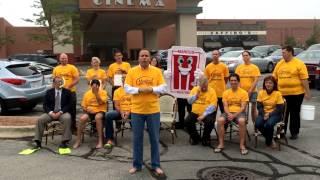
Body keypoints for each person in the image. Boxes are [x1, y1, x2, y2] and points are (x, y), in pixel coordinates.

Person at [124, 49, 167, 176]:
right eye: (142, 56)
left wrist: (152, 88)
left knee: (154, 139)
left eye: (146, 56)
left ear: (149, 58)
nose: (144, 58)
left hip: (153, 110)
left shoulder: (157, 71)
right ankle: (137, 165)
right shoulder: (132, 71)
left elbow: (164, 87)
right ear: (138, 58)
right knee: (137, 139)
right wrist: (139, 90)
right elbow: (126, 87)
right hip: (137, 110)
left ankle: (156, 165)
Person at [273, 46, 311, 140]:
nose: (282, 54)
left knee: (294, 113)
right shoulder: (279, 64)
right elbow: (274, 77)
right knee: (282, 114)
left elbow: (304, 79)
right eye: (282, 52)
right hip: (282, 93)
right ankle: (281, 132)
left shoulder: (299, 63)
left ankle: (294, 132)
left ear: (290, 52)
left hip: (296, 93)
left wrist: (307, 92)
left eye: (284, 52)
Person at [33, 76, 72, 149]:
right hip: (51, 112)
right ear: (54, 83)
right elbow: (45, 105)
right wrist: (51, 113)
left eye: (61, 81)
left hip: (62, 112)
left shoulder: (67, 92)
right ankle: (37, 141)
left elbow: (69, 105)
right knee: (40, 119)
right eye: (58, 82)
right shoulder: (49, 92)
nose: (60, 83)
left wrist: (60, 112)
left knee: (67, 118)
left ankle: (64, 141)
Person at [214, 73, 249, 155]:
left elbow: (243, 107)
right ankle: (221, 144)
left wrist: (234, 115)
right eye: (231, 80)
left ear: (238, 81)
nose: (233, 82)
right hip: (228, 112)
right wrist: (229, 114)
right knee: (220, 120)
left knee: (241, 121)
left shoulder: (244, 93)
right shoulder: (226, 92)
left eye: (235, 80)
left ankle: (242, 145)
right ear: (229, 82)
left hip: (239, 113)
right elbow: (225, 106)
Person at [73, 79, 108, 149]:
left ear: (99, 86)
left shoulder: (103, 92)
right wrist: (87, 109)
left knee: (97, 117)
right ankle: (78, 140)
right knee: (82, 118)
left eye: (96, 86)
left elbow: (101, 102)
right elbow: (83, 106)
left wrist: (96, 93)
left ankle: (100, 141)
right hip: (90, 112)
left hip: (100, 110)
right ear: (91, 86)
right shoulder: (87, 93)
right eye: (93, 86)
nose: (94, 88)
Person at [185, 76, 217, 146]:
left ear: (207, 84)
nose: (204, 88)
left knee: (210, 121)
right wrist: (196, 96)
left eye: (205, 87)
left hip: (207, 113)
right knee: (187, 121)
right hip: (195, 112)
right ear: (199, 85)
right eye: (202, 87)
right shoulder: (195, 89)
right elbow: (189, 102)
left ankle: (205, 138)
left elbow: (213, 106)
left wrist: (204, 115)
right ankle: (196, 138)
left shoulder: (212, 91)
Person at [53, 53, 80, 131]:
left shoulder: (72, 67)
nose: (63, 60)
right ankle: (64, 127)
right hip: (59, 92)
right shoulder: (56, 69)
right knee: (61, 109)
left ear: (67, 59)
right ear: (59, 59)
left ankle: (73, 127)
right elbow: (54, 81)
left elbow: (77, 79)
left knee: (72, 110)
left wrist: (69, 87)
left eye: (65, 58)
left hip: (70, 92)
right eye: (62, 58)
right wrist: (53, 90)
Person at [255, 76, 284, 148]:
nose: (268, 84)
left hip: (275, 114)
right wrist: (264, 114)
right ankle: (270, 139)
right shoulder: (261, 92)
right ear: (264, 84)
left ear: (274, 84)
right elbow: (259, 106)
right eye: (266, 83)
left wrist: (269, 114)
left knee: (269, 124)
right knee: (257, 124)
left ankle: (268, 141)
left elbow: (280, 108)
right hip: (264, 113)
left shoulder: (278, 93)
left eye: (270, 83)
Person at [104, 73, 131, 149]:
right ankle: (109, 139)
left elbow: (135, 104)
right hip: (120, 111)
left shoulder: (133, 90)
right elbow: (116, 105)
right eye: (123, 78)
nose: (124, 80)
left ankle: (138, 138)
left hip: (132, 111)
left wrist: (128, 112)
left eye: (126, 78)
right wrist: (122, 112)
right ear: (121, 80)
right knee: (108, 115)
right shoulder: (117, 91)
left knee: (139, 114)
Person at [235, 50, 260, 130]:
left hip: (253, 92)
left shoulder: (254, 67)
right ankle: (243, 128)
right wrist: (240, 91)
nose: (245, 57)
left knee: (253, 109)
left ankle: (256, 127)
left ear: (250, 56)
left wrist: (250, 91)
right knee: (242, 110)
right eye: (243, 55)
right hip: (242, 92)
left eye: (246, 55)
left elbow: (256, 80)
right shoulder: (239, 67)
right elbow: (237, 80)